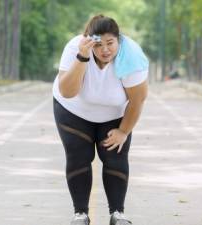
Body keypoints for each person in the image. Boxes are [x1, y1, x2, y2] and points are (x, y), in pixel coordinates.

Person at [53, 14, 148, 225]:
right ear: (89, 41)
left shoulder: (131, 56)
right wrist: (82, 57)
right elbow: (67, 92)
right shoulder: (74, 48)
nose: (105, 49)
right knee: (79, 155)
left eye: (110, 43)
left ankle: (118, 214)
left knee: (115, 156)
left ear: (118, 40)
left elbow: (138, 100)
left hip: (114, 114)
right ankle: (80, 214)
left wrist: (123, 131)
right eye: (99, 44)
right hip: (73, 109)